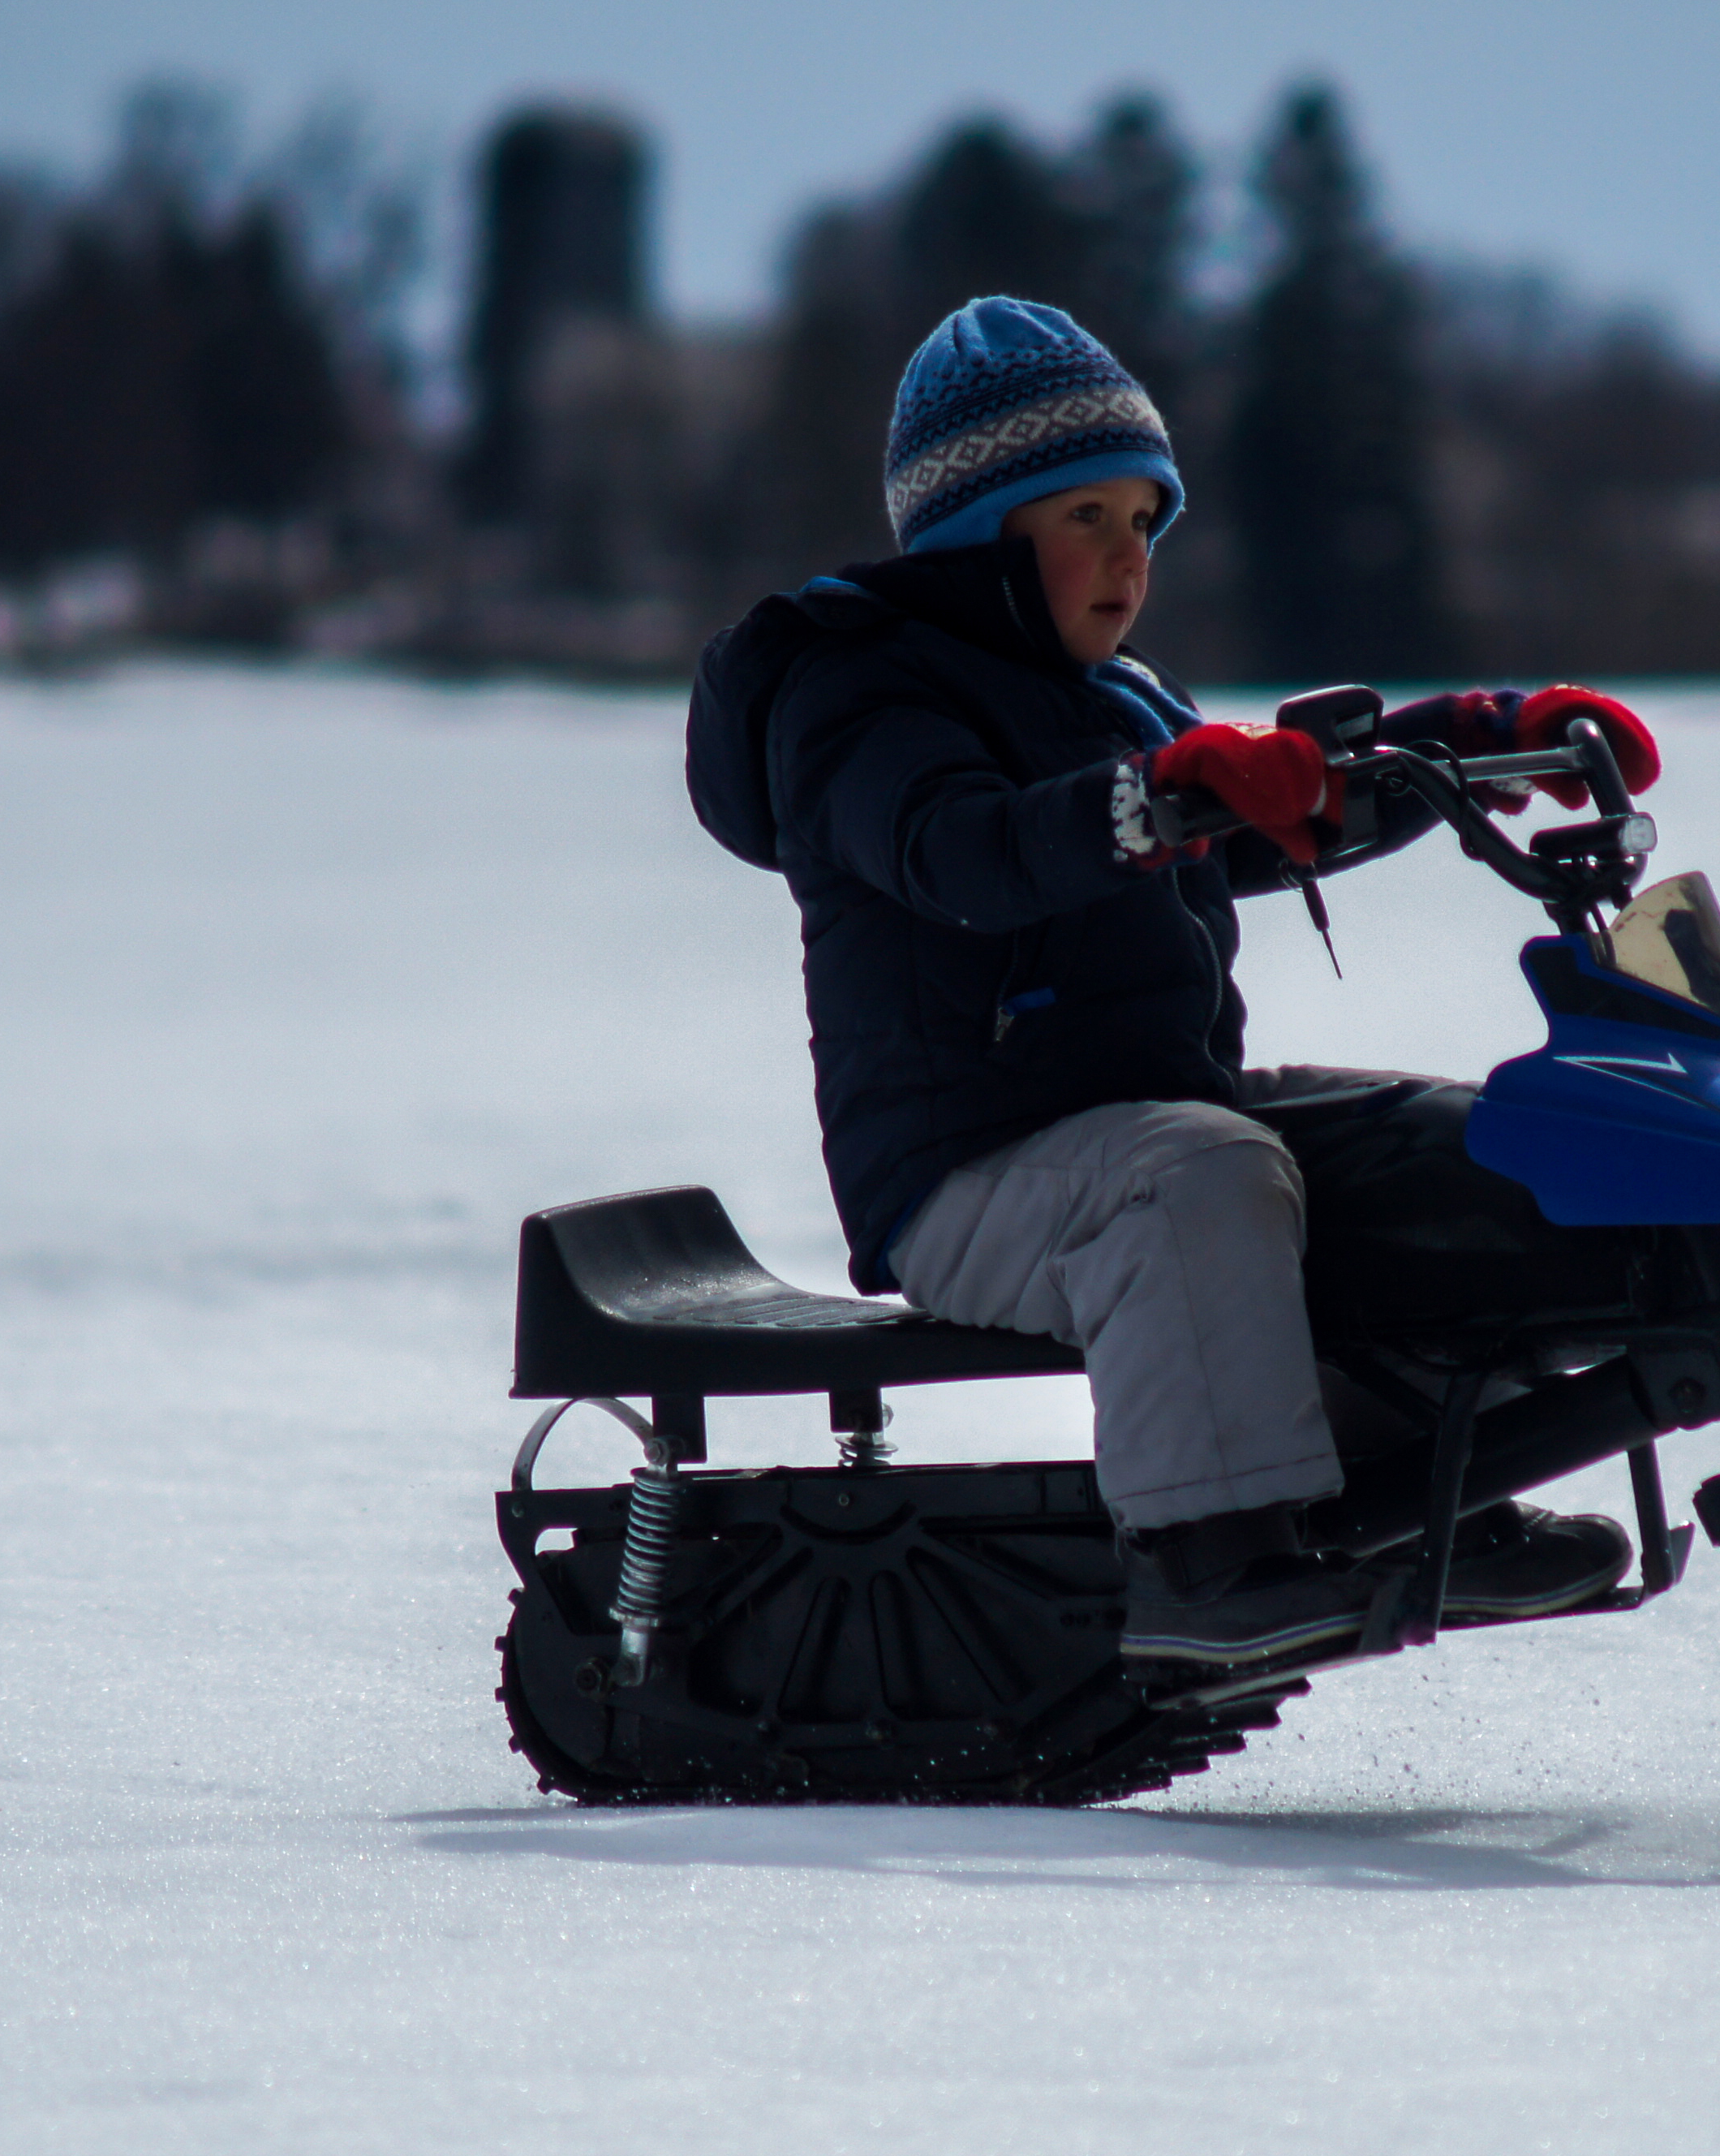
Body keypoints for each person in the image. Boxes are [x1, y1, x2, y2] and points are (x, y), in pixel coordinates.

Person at [685, 297, 1662, 1682]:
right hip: (965, 1177)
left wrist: (1479, 739)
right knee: (1197, 1174)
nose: (1127, 559)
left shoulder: (1122, 700)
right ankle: (1207, 1563)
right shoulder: (858, 692)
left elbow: (1279, 804)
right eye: (1085, 516)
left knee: (1462, 1146)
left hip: (1138, 1118)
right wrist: (1151, 802)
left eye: (1145, 521)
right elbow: (960, 850)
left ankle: (1442, 1487)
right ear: (978, 525)